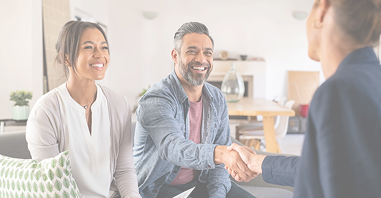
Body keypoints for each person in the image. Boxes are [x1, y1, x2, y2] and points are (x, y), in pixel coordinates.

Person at [227, 0, 381, 197]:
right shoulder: (371, 78)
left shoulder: (340, 91)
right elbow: (319, 169)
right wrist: (257, 163)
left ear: (322, 11)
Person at [133, 22, 257, 198]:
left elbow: (219, 166)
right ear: (175, 55)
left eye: (207, 53)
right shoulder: (156, 99)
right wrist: (219, 153)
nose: (201, 59)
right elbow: (173, 147)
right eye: (192, 51)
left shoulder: (217, 98)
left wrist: (217, 195)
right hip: (158, 187)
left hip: (200, 182)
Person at [26, 21, 141, 198]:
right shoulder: (45, 112)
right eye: (88, 47)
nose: (99, 55)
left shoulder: (119, 104)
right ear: (66, 58)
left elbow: (124, 170)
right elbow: (53, 184)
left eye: (103, 47)